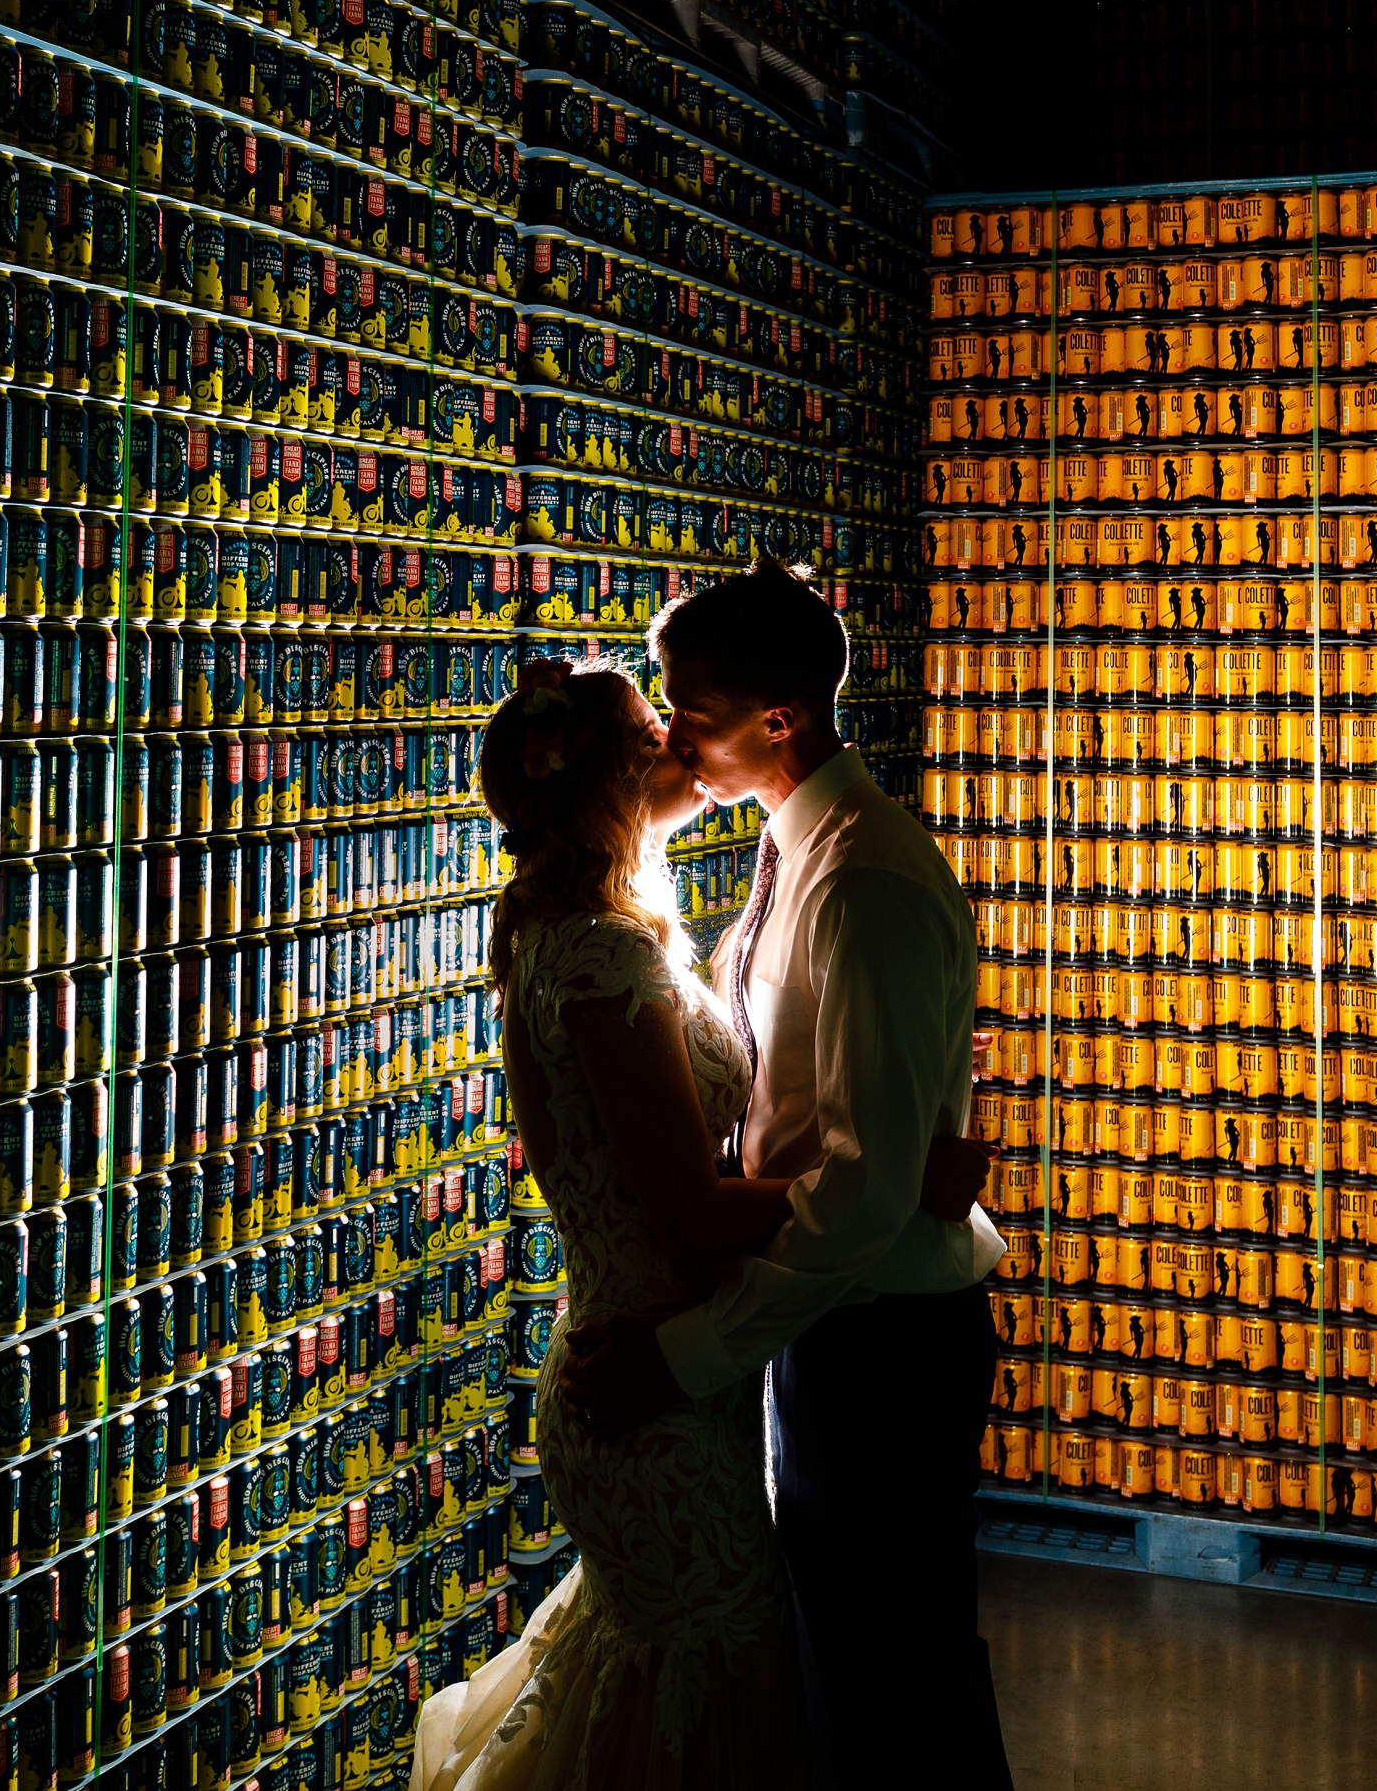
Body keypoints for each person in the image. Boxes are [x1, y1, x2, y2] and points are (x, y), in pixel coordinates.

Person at [412, 655, 987, 1791]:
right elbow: (687, 1214)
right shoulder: (598, 952)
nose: (679, 747)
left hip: (666, 1379)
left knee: (664, 1675)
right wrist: (888, 1178)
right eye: (649, 739)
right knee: (700, 1685)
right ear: (604, 784)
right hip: (647, 1387)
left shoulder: (606, 927)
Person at [555, 562, 1013, 1791]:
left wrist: (692, 1351)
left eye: (690, 711)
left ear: (779, 721)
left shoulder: (859, 874)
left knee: (896, 1679)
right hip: (828, 1320)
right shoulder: (791, 851)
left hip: (883, 1338)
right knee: (853, 1673)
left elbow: (861, 1192)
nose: (672, 734)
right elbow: (824, 1117)